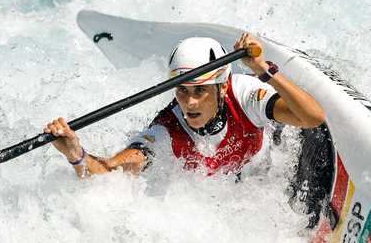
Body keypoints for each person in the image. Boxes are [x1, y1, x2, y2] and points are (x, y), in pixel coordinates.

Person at [44, 33, 325, 178]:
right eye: (182, 91)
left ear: (222, 87)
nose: (189, 102)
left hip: (274, 156)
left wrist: (264, 70)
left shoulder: (245, 93)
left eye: (200, 91)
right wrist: (76, 154)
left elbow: (313, 117)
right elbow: (110, 175)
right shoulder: (167, 130)